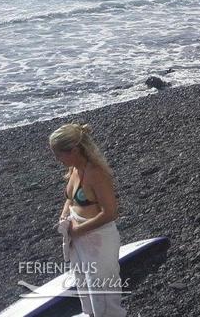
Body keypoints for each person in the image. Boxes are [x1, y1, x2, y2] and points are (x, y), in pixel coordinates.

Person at [49, 123, 126, 316]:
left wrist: (77, 230)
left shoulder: (96, 174)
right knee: (84, 282)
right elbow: (71, 198)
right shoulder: (75, 170)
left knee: (103, 288)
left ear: (74, 150)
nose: (57, 159)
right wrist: (64, 215)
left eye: (59, 154)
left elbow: (110, 213)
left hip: (98, 240)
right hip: (79, 240)